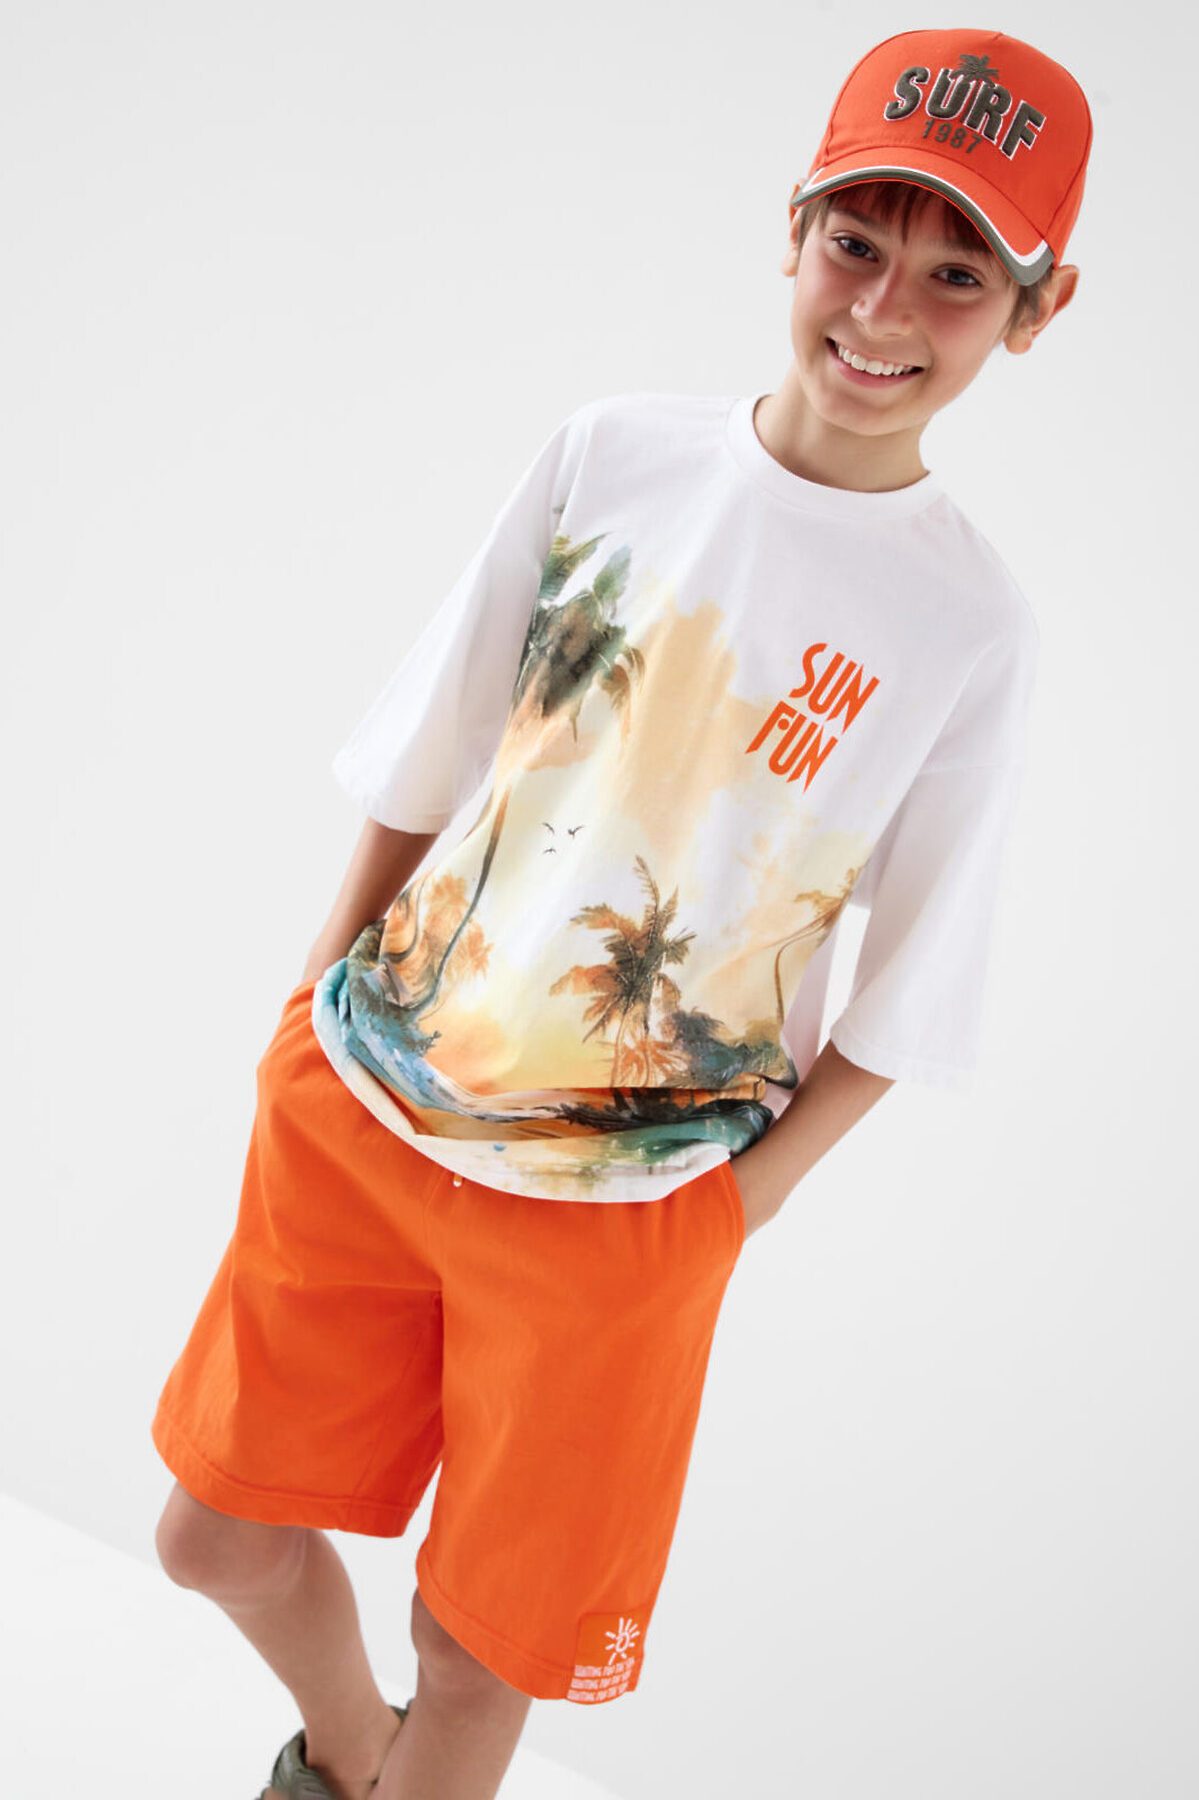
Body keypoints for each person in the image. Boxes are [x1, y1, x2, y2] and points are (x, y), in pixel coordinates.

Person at [150, 26, 1093, 1800]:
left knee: (479, 1653)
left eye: (959, 276)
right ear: (793, 226)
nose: (885, 309)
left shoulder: (969, 626)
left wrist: (726, 1217)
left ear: (1036, 312)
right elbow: (431, 744)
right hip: (368, 1096)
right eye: (858, 242)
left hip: (629, 1209)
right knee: (212, 1533)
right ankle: (346, 1763)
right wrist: (306, 1009)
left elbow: (913, 987)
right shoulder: (615, 455)